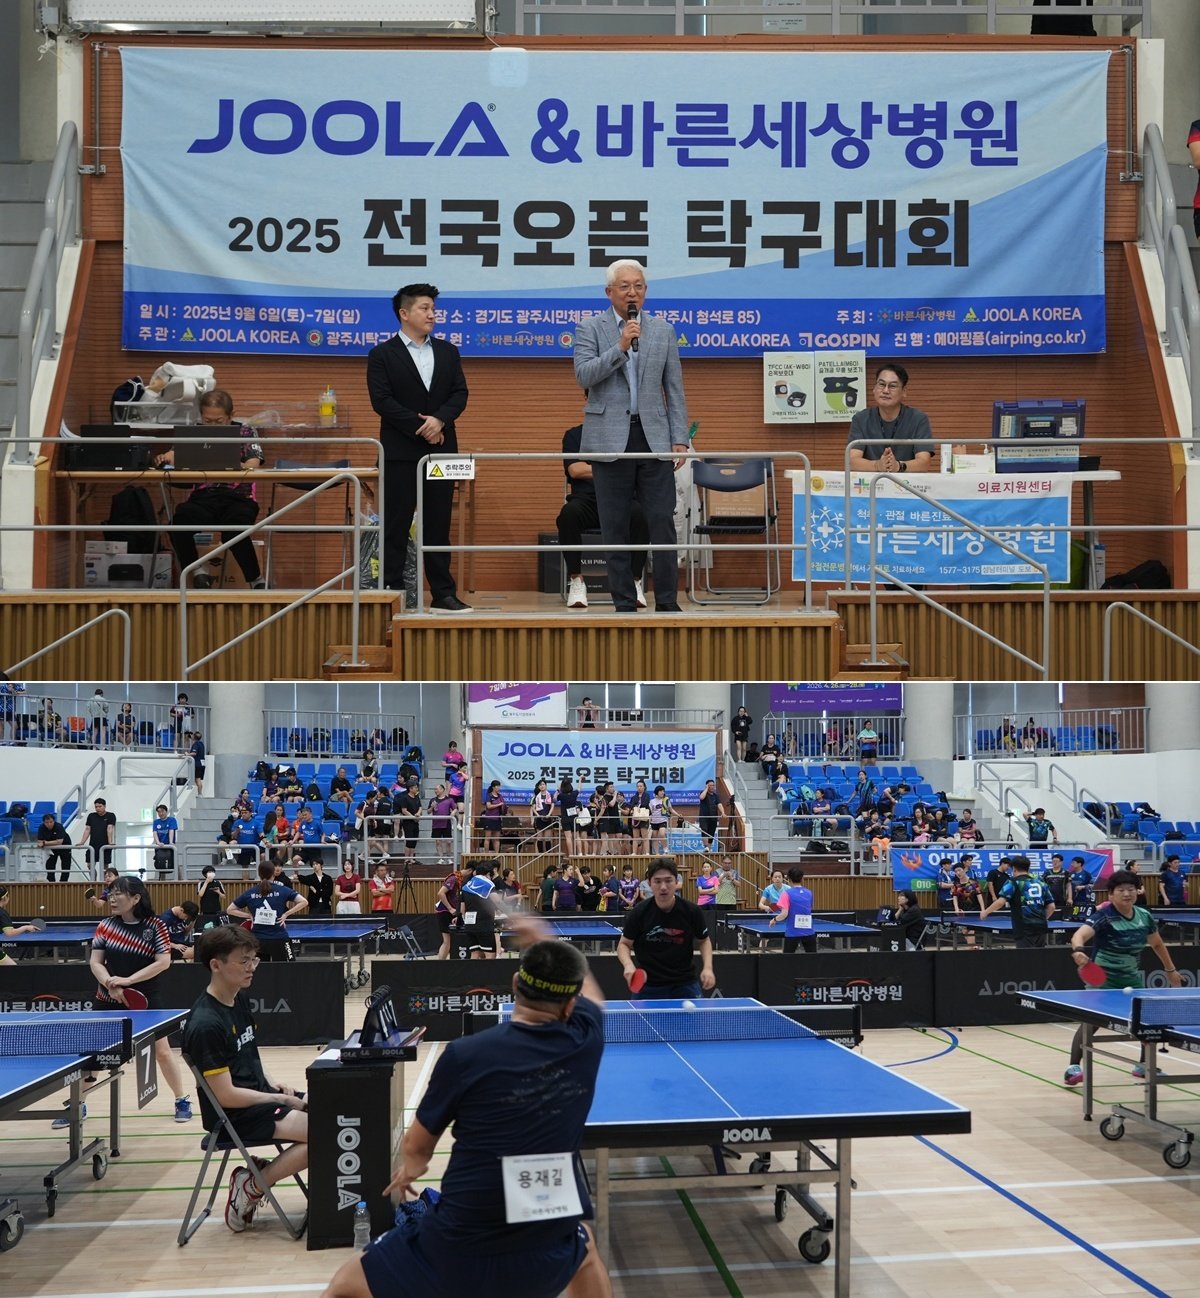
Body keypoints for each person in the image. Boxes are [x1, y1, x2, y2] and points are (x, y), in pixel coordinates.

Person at [320, 924, 611, 1298]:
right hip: (545, 1240)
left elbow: (417, 1147)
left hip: (458, 1244)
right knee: (584, 1246)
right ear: (570, 1005)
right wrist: (542, 933)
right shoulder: (587, 1039)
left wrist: (412, 1169)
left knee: (345, 1285)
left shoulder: (465, 1054)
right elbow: (593, 995)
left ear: (515, 984)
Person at [572, 258, 689, 613]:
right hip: (608, 439)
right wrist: (620, 346)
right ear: (609, 292)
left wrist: (679, 436)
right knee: (615, 525)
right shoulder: (589, 329)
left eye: (638, 286)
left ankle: (667, 601)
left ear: (646, 291)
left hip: (654, 437)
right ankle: (623, 602)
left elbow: (674, 386)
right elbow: (584, 376)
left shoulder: (663, 330)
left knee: (662, 521)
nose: (632, 292)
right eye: (624, 286)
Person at [183, 925, 309, 1233]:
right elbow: (225, 1096)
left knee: (338, 1111)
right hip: (234, 1115)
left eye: (254, 959)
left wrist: (274, 1083)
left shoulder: (237, 998)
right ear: (216, 965)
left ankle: (256, 1178)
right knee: (329, 1132)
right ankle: (252, 1185)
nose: (252, 967)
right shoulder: (205, 1024)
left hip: (259, 1097)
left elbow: (247, 1054)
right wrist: (279, 1098)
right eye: (244, 961)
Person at [366, 282, 470, 610]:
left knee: (438, 523)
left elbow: (460, 393)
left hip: (442, 449)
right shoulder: (382, 354)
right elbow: (382, 401)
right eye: (424, 308)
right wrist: (422, 428)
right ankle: (392, 591)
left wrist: (439, 421)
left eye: (433, 309)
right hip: (400, 452)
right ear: (404, 313)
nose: (432, 314)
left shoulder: (448, 352)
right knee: (396, 523)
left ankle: (443, 593)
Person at [85, 875, 193, 1125]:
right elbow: (95, 962)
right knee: (96, 1055)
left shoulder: (155, 926)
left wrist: (128, 981)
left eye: (118, 893)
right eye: (111, 893)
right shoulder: (105, 925)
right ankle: (77, 1104)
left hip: (145, 999)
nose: (112, 898)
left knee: (162, 1052)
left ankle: (181, 1099)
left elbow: (163, 962)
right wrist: (110, 983)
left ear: (135, 898)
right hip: (108, 997)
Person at [1063, 869, 1181, 1087]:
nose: (1127, 894)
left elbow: (1157, 944)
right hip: (1102, 980)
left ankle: (1144, 1065)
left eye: (1131, 889)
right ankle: (1073, 1068)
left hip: (1131, 978)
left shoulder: (1144, 916)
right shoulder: (1104, 916)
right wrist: (1078, 950)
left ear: (1137, 891)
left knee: (1145, 1021)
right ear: (1111, 894)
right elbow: (1079, 935)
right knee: (1091, 1022)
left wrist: (1170, 970)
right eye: (1121, 890)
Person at [162, 389, 267, 590]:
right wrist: (166, 457)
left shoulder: (245, 431)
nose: (212, 426)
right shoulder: (194, 432)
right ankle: (198, 571)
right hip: (204, 497)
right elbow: (173, 455)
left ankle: (256, 580)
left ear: (231, 415)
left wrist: (230, 464)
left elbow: (253, 463)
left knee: (234, 530)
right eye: (207, 421)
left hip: (240, 497)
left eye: (219, 421)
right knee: (178, 524)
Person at [558, 422, 649, 610]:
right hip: (586, 501)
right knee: (568, 515)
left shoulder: (626, 434)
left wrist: (592, 468)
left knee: (641, 514)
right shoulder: (575, 435)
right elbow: (575, 470)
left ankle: (634, 581)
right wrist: (614, 469)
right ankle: (576, 581)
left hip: (621, 499)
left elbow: (634, 470)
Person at [618, 858, 715, 998]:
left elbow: (704, 940)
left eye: (668, 881)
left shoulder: (692, 911)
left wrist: (708, 968)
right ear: (649, 883)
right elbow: (624, 944)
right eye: (657, 881)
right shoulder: (639, 912)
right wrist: (628, 965)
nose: (663, 887)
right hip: (648, 985)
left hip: (685, 984)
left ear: (676, 882)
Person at [848, 362, 934, 474]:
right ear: (874, 389)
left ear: (904, 392)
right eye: (881, 384)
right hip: (871, 482)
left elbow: (924, 462)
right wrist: (877, 465)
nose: (885, 391)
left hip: (906, 482)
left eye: (892, 386)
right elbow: (852, 461)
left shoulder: (918, 419)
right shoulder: (861, 419)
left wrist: (898, 466)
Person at [228, 861, 308, 961]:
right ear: (273, 873)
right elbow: (304, 902)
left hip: (257, 940)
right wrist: (286, 914)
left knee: (259, 969)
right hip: (279, 938)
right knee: (286, 968)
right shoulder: (282, 890)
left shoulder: (249, 893)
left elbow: (230, 910)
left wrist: (249, 916)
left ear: (259, 874)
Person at [979, 854, 1055, 948]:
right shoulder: (1041, 883)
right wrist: (1042, 919)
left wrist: (986, 912)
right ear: (1028, 868)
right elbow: (1052, 907)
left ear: (1014, 869)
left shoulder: (1013, 882)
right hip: (1041, 925)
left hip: (1023, 926)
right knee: (1039, 954)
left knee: (1024, 955)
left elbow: (1001, 901)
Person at [769, 865, 817, 953]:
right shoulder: (809, 893)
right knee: (812, 958)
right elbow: (808, 908)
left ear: (789, 879)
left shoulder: (786, 894)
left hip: (792, 932)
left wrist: (774, 919)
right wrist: (771, 907)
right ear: (802, 879)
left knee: (788, 959)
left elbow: (784, 914)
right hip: (809, 932)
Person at [460, 859, 500, 959]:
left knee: (475, 953)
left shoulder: (466, 886)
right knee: (490, 954)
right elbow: (498, 902)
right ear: (488, 874)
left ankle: (473, 970)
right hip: (484, 924)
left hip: (469, 924)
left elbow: (462, 909)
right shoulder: (488, 884)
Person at [0, 886, 39, 965]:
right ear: (5, 898)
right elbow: (10, 933)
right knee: (13, 968)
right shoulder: (2, 913)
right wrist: (26, 927)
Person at [37, 810, 73, 883]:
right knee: (50, 865)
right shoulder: (41, 827)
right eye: (47, 822)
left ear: (54, 821)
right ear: (44, 822)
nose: (49, 824)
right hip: (51, 848)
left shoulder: (59, 826)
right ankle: (51, 883)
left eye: (51, 822)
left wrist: (45, 843)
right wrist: (43, 843)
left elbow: (59, 841)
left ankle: (63, 882)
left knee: (66, 865)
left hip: (65, 846)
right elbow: (39, 841)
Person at [83, 796, 116, 873]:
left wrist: (110, 842)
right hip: (93, 844)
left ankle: (104, 878)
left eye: (100, 806)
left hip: (105, 845)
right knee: (89, 865)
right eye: (96, 807)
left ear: (104, 806)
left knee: (105, 866)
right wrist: (82, 842)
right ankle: (93, 877)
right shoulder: (91, 816)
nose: (98, 808)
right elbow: (87, 829)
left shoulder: (110, 815)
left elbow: (110, 828)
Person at [152, 802, 178, 878]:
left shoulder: (172, 820)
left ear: (166, 811)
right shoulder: (156, 822)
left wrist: (171, 842)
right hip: (160, 846)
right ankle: (162, 881)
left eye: (162, 811)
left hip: (169, 846)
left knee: (174, 862)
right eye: (159, 812)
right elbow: (155, 833)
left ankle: (181, 879)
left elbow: (171, 831)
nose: (161, 813)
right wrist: (158, 842)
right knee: (161, 863)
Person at [197, 865, 227, 929]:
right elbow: (200, 895)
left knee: (217, 927)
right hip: (205, 910)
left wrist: (218, 892)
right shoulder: (201, 883)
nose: (211, 873)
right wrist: (206, 882)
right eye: (209, 872)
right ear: (205, 874)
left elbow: (224, 897)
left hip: (216, 909)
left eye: (212, 872)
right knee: (206, 927)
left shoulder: (218, 883)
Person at [697, 779, 722, 852]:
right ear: (707, 786)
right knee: (704, 830)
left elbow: (719, 804)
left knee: (711, 832)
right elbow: (701, 797)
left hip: (713, 817)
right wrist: (706, 789)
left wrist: (723, 812)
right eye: (710, 785)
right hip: (704, 817)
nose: (712, 787)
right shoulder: (703, 793)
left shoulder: (715, 796)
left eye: (713, 785)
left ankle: (709, 848)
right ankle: (706, 847)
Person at [189, 730, 207, 797]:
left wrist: (187, 754)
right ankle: (200, 793)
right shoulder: (201, 744)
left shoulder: (196, 744)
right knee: (198, 779)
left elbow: (194, 753)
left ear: (194, 737)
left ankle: (200, 794)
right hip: (202, 764)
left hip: (197, 764)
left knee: (197, 779)